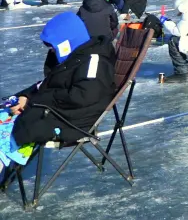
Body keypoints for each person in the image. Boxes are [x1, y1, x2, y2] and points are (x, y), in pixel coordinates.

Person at [6, 12, 116, 150]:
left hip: (72, 122)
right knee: (6, 114)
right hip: (58, 112)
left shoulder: (95, 62)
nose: (51, 51)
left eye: (53, 47)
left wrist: (35, 102)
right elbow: (50, 84)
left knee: (8, 130)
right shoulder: (75, 57)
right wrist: (27, 96)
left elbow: (84, 95)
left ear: (68, 42)